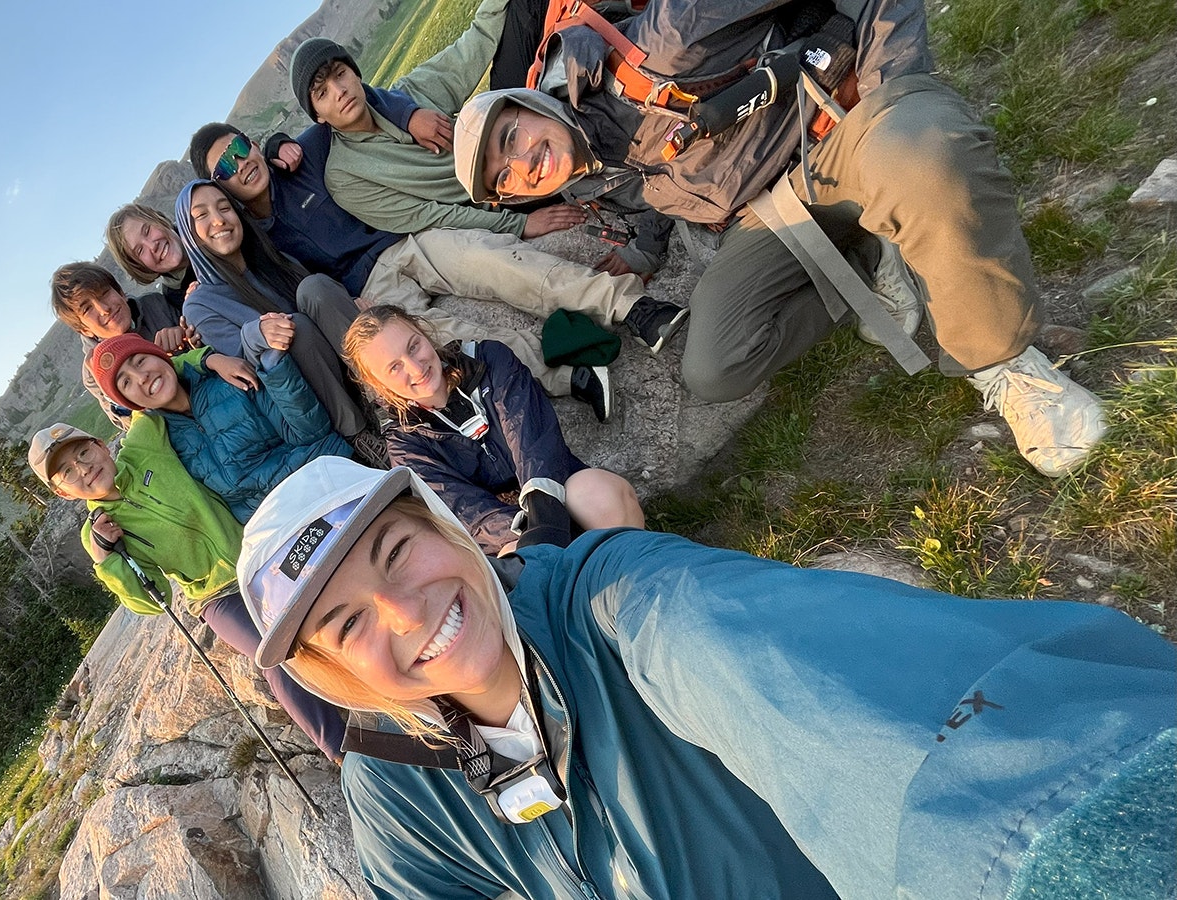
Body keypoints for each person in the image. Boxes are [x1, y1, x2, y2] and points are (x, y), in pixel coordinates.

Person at [238, 456, 1176, 899]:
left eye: (398, 552)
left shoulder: (622, 602)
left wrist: (1070, 843)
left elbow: (814, 686)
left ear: (449, 528)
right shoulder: (396, 791)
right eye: (349, 621)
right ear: (333, 675)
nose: (405, 614)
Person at [449, 0, 1107, 476]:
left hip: (839, 132)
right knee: (714, 365)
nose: (523, 162)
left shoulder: (668, 39)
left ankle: (1006, 364)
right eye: (506, 180)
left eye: (511, 139)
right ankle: (872, 256)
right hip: (776, 214)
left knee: (922, 157)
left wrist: (890, 90)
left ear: (529, 104)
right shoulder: (593, 169)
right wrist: (634, 260)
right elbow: (657, 203)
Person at [289, 6, 691, 353]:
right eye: (322, 93)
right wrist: (519, 224)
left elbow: (476, 43)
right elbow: (430, 217)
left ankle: (650, 58)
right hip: (497, 191)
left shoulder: (410, 94)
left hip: (507, 147)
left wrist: (409, 112)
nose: (339, 91)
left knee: (522, 13)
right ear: (319, 116)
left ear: (355, 73)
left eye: (341, 74)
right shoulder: (344, 177)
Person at [187, 120, 614, 416]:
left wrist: (409, 118)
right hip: (370, 290)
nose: (241, 163)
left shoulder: (304, 157)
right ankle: (569, 374)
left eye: (241, 148)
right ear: (218, 186)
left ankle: (620, 306)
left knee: (491, 258)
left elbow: (346, 108)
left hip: (408, 242)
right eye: (225, 166)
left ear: (253, 143)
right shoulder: (254, 243)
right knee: (440, 336)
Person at [25, 421, 345, 761]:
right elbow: (151, 601)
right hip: (215, 597)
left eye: (84, 452)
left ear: (102, 445)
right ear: (63, 492)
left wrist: (205, 362)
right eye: (68, 472)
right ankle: (346, 752)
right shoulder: (100, 534)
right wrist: (108, 560)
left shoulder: (144, 445)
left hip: (260, 553)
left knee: (324, 608)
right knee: (273, 654)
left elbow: (154, 386)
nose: (84, 468)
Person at [345, 306, 644, 555]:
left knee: (603, 495)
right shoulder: (404, 443)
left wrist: (546, 516)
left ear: (424, 332)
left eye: (414, 346)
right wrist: (528, 530)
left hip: (553, 482)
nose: (415, 367)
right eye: (394, 367)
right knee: (515, 555)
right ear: (378, 384)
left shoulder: (488, 359)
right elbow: (464, 508)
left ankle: (640, 576)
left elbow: (533, 440)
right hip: (505, 528)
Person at [173, 179, 376, 441]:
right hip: (305, 395)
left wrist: (349, 302)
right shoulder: (198, 304)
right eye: (201, 215)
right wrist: (257, 332)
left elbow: (321, 307)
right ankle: (360, 437)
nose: (219, 220)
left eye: (224, 208)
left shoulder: (272, 258)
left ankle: (383, 391)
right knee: (296, 330)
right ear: (189, 235)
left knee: (315, 287)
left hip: (345, 362)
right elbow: (243, 370)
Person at [88, 333, 352, 523]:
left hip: (320, 484)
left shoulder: (228, 380)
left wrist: (277, 372)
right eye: (126, 383)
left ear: (160, 357)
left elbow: (310, 432)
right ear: (131, 403)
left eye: (141, 361)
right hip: (273, 528)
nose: (142, 377)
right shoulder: (162, 442)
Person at [48, 261, 255, 426]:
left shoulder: (155, 304)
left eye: (104, 294)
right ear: (83, 329)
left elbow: (209, 344)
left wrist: (188, 339)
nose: (103, 309)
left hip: (229, 398)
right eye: (87, 309)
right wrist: (168, 362)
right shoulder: (94, 372)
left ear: (119, 291)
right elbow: (131, 422)